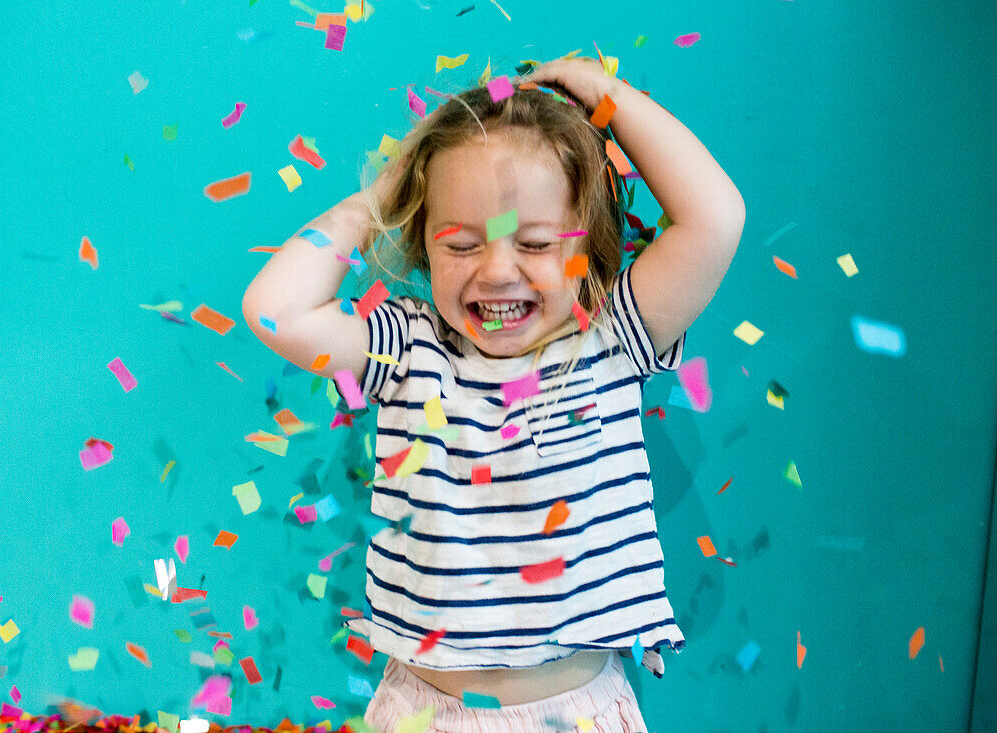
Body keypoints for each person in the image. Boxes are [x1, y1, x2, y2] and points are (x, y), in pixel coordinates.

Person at [243, 56, 745, 733]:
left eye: (535, 243)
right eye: (460, 243)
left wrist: (606, 98)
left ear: (589, 248)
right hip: (422, 712)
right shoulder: (409, 347)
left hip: (577, 712)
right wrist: (391, 188)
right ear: (422, 239)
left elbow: (715, 218)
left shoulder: (612, 337)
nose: (497, 270)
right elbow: (274, 309)